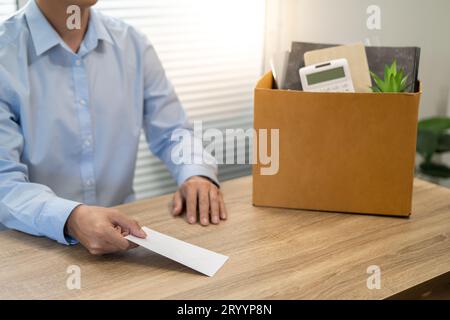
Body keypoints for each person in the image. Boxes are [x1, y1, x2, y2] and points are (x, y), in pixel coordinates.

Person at [0, 0, 227, 255]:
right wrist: (71, 218)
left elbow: (173, 132)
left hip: (125, 239)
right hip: (33, 250)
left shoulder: (132, 43)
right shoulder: (5, 55)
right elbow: (4, 184)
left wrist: (195, 173)